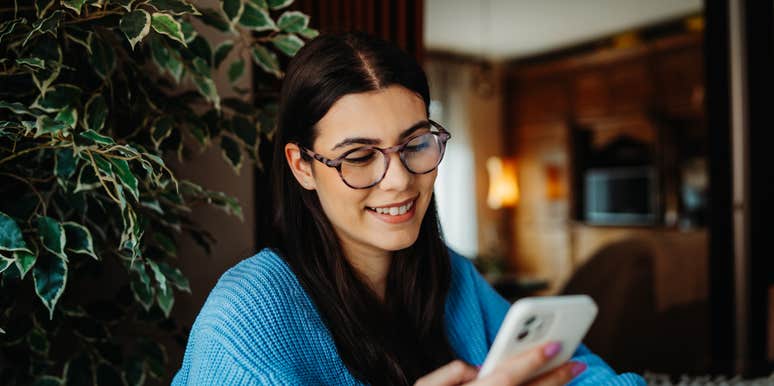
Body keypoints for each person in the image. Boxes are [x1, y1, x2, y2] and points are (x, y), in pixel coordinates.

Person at [172, 32, 646, 386]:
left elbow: (590, 374)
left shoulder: (452, 277)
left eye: (416, 144)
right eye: (360, 156)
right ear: (302, 167)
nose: (399, 180)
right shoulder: (245, 318)